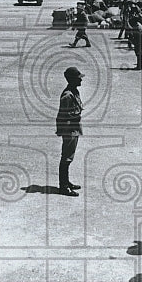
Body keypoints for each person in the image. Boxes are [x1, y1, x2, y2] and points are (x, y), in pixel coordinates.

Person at [56, 66, 84, 196]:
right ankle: (63, 186)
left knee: (69, 156)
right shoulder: (67, 95)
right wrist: (61, 130)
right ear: (72, 80)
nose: (81, 80)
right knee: (66, 158)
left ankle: (66, 182)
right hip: (69, 128)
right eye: (78, 78)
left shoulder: (74, 91)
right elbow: (61, 115)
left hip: (74, 127)